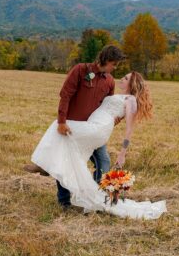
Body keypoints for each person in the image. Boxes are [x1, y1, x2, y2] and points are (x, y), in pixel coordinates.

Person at [28, 71, 167, 220]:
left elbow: (129, 130)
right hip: (92, 124)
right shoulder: (118, 96)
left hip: (99, 128)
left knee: (59, 125)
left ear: (132, 83)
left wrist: (122, 154)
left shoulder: (131, 99)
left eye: (126, 78)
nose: (122, 79)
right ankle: (73, 188)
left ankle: (42, 165)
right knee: (70, 152)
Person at [24, 45, 126, 208]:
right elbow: (65, 95)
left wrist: (112, 120)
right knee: (67, 161)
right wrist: (62, 121)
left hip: (93, 130)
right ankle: (64, 201)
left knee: (104, 160)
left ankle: (96, 197)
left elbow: (108, 106)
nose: (115, 68)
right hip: (72, 129)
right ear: (106, 60)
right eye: (114, 64)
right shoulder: (80, 70)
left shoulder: (109, 81)